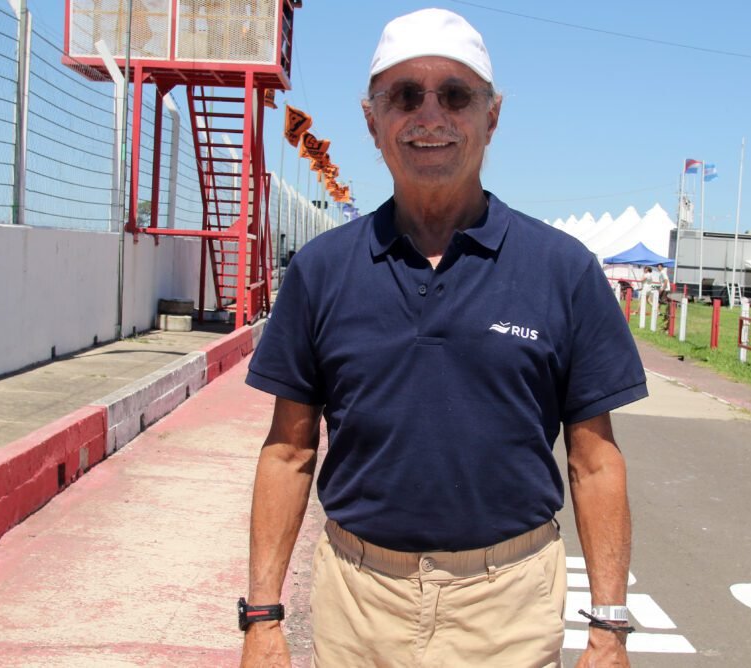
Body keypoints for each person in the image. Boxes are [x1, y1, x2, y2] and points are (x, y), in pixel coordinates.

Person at [240, 8, 647, 667]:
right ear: (373, 120)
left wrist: (608, 627)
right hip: (356, 603)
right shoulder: (321, 271)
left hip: (507, 604)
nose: (430, 117)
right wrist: (262, 619)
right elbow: (287, 453)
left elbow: (595, 462)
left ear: (491, 116)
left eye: (455, 95)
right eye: (404, 95)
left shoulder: (561, 269)